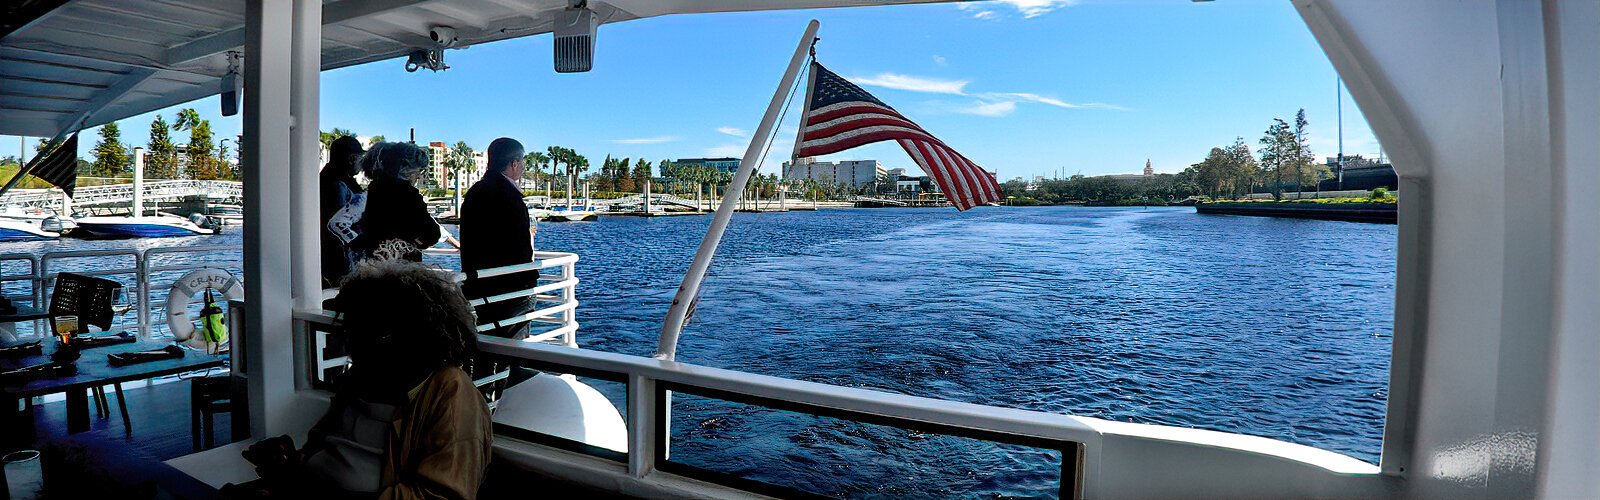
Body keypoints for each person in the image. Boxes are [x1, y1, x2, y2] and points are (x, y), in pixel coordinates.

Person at [231, 260, 492, 499]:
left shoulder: (448, 391)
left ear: (405, 335)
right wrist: (286, 462)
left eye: (361, 331)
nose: (349, 342)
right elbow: (326, 450)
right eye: (349, 329)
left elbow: (443, 495)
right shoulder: (359, 379)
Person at [460, 137, 536, 338]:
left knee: (487, 344)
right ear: (514, 164)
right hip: (510, 289)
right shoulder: (509, 197)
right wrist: (529, 279)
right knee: (514, 348)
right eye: (523, 163)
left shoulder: (475, 192)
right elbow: (519, 246)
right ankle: (513, 369)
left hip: (479, 284)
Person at [349, 142, 441, 264]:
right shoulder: (407, 195)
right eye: (419, 170)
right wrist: (412, 242)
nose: (418, 176)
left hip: (372, 263)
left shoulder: (373, 190)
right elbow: (432, 233)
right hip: (401, 265)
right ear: (406, 168)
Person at [320, 136, 366, 287]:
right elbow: (336, 224)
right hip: (341, 263)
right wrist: (359, 243)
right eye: (361, 158)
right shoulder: (338, 184)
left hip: (329, 261)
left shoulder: (325, 179)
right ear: (352, 158)